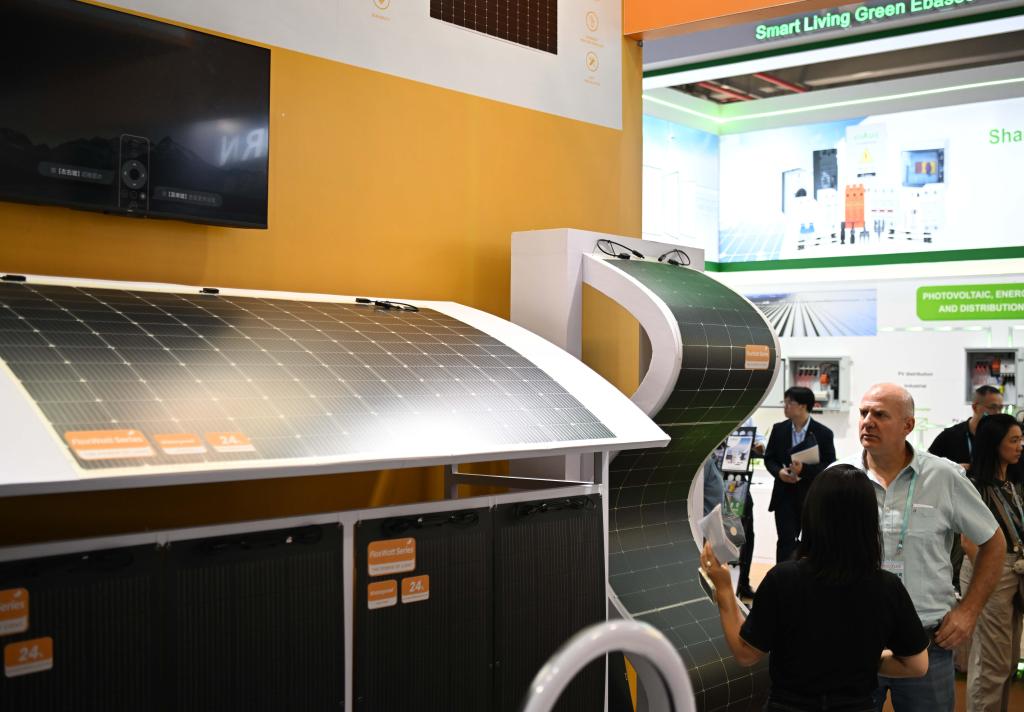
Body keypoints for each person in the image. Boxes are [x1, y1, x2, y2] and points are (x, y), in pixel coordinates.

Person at [702, 464, 930, 712]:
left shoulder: (783, 579)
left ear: (812, 514)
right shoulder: (888, 587)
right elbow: (917, 665)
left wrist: (724, 590)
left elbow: (746, 653)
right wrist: (863, 662)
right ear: (869, 521)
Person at [835, 383, 1005, 712]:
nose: (868, 421)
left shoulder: (943, 476)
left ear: (908, 425)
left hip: (928, 642)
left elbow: (993, 542)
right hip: (853, 640)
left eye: (880, 414)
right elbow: (813, 554)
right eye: (864, 413)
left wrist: (969, 611)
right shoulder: (839, 477)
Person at [959, 414, 1024, 712]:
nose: (1020, 445)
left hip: (1013, 570)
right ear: (994, 443)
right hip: (989, 572)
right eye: (1014, 440)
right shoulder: (975, 486)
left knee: (1007, 660)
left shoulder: (1011, 484)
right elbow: (968, 542)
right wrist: (989, 576)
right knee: (991, 662)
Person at [764, 386, 836, 563]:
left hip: (811, 496)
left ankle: (808, 578)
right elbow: (769, 458)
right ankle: (782, 577)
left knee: (811, 543)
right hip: (784, 495)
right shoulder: (779, 429)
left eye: (790, 403)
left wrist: (804, 470)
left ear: (803, 406)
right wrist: (779, 472)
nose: (785, 406)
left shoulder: (823, 433)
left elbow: (829, 466)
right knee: (785, 542)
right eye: (785, 402)